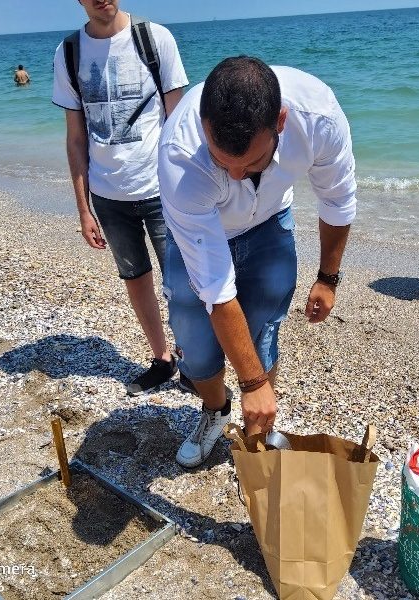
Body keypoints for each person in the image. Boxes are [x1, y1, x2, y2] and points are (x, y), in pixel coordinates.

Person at [158, 57, 357, 467]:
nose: (234, 176)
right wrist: (250, 383)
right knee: (194, 347)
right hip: (197, 231)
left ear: (280, 122)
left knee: (264, 328)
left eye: (249, 163)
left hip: (270, 222)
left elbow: (337, 200)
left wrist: (328, 278)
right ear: (203, 122)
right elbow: (215, 287)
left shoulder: (318, 116)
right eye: (221, 161)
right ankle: (215, 411)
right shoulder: (180, 154)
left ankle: (256, 436)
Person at [52, 0, 189, 393]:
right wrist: (83, 209)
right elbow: (76, 139)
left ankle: (193, 363)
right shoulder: (69, 52)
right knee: (135, 277)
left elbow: (180, 125)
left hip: (163, 190)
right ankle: (161, 359)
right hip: (108, 196)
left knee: (182, 281)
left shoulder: (154, 38)